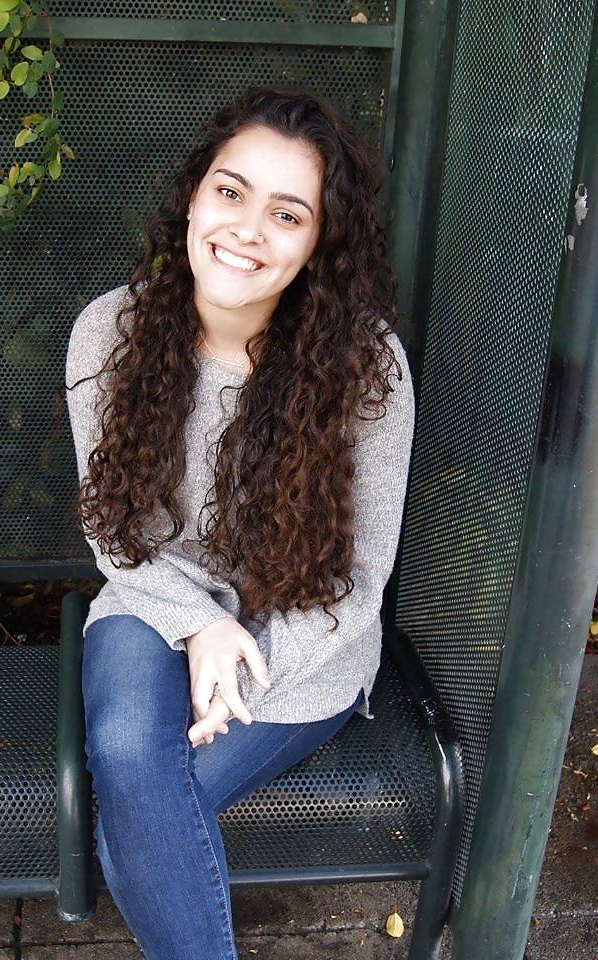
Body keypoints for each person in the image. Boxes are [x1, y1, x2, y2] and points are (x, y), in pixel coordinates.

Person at [64, 84, 415, 960]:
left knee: (138, 818)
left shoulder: (364, 367)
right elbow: (113, 533)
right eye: (231, 192)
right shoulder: (109, 332)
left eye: (287, 214)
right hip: (151, 606)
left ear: (318, 244)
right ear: (194, 197)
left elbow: (359, 580)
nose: (247, 229)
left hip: (303, 647)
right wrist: (200, 627)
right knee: (126, 751)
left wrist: (239, 669)